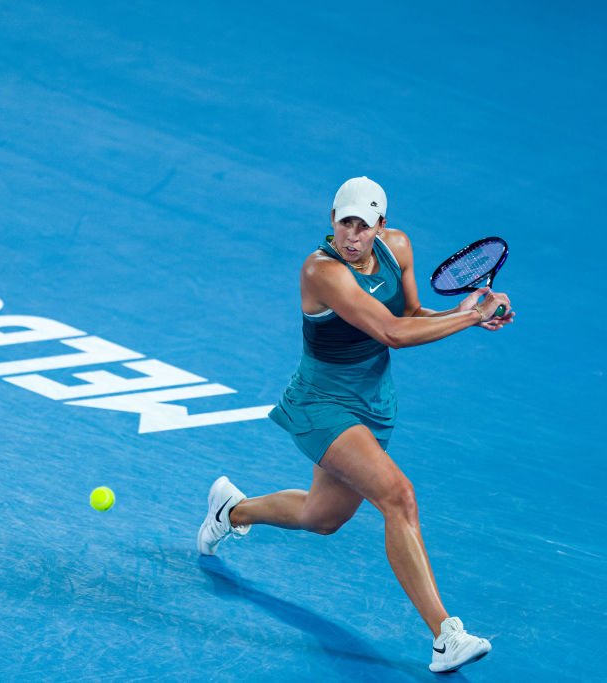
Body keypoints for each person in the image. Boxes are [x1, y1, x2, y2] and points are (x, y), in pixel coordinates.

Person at [197, 177, 513, 674]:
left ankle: (232, 512)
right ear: (332, 221)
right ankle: (445, 635)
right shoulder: (321, 271)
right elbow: (391, 333)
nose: (352, 235)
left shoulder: (398, 248)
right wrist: (469, 319)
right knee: (398, 495)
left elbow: (410, 314)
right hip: (322, 403)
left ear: (380, 227)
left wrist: (457, 312)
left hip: (373, 403)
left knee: (321, 518)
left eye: (363, 226)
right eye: (344, 222)